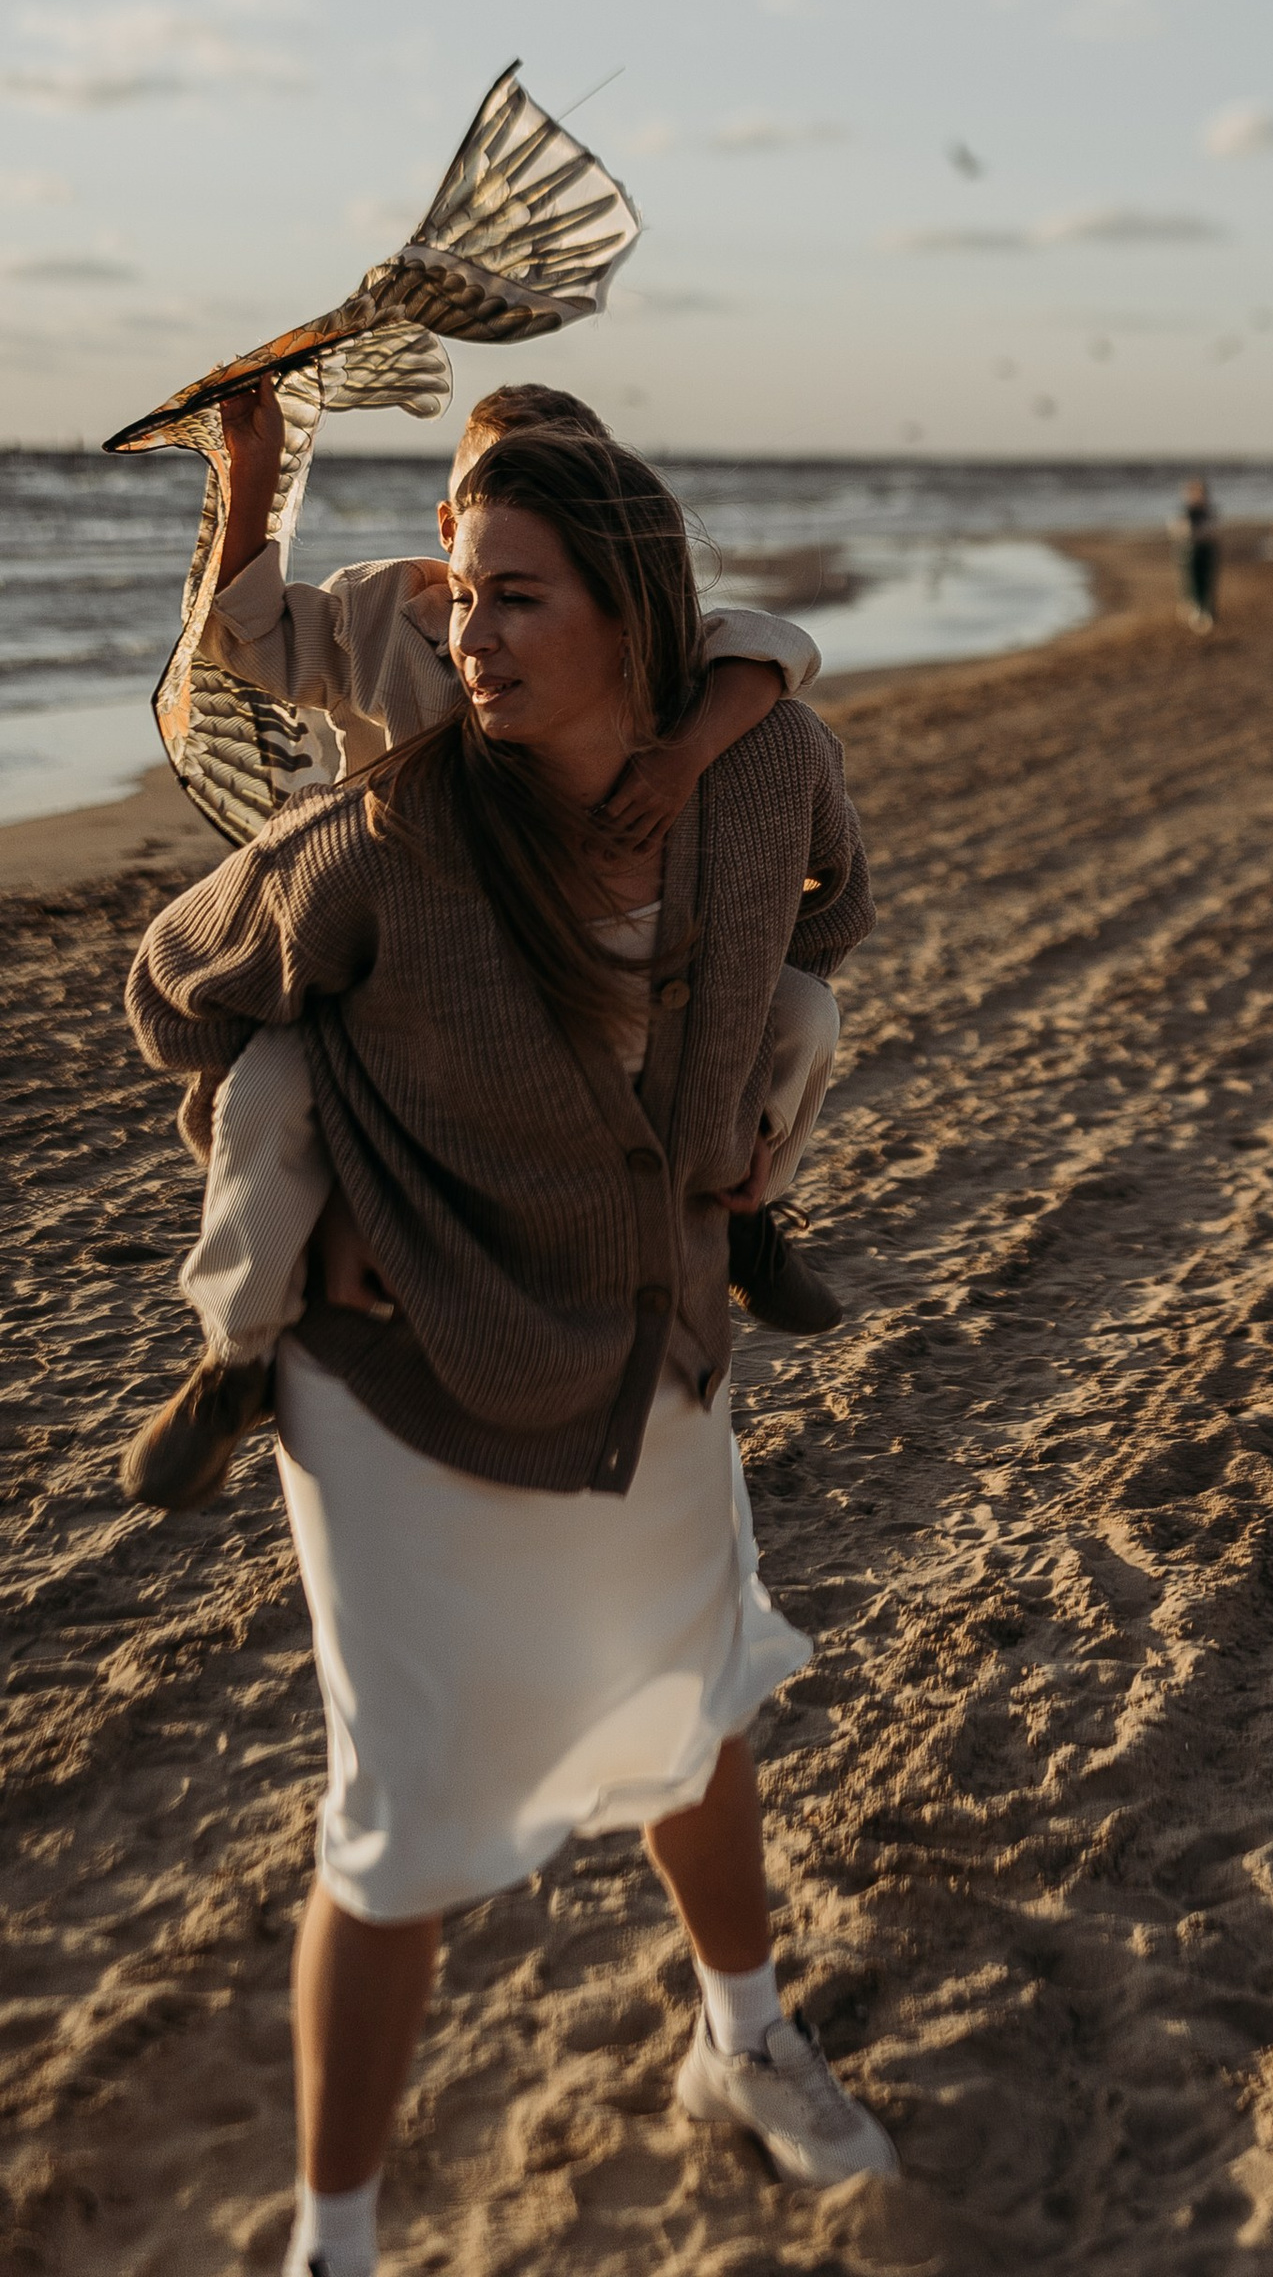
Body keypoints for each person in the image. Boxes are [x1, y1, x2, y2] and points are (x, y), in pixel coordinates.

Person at [125, 424, 897, 2270]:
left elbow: (836, 903)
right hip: (400, 1383)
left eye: (515, 602)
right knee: (398, 1808)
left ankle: (744, 2038)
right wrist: (320, 1224)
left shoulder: (765, 757)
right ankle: (337, 2240)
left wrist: (758, 1085)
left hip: (646, 1336)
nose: (470, 635)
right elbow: (176, 985)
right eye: (463, 599)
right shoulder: (392, 831)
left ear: (634, 619)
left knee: (694, 1699)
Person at [120, 378, 844, 1519]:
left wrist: (684, 760)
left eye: (523, 582)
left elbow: (766, 646)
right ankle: (235, 1348)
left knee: (803, 1011)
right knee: (273, 1094)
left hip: (556, 942)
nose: (478, 633)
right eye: (472, 509)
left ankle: (744, 1211)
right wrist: (248, 470)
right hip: (396, 938)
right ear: (449, 516)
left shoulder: (678, 676)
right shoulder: (380, 614)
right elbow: (245, 637)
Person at [1172, 477, 1220, 635]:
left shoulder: (1208, 511)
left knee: (1206, 581)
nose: (1195, 496)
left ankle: (1206, 611)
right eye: (1191, 493)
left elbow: (1212, 531)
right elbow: (1178, 530)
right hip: (1190, 552)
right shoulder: (1185, 511)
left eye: (1198, 492)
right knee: (1191, 580)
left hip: (1206, 551)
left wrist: (1197, 534)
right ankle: (1195, 610)